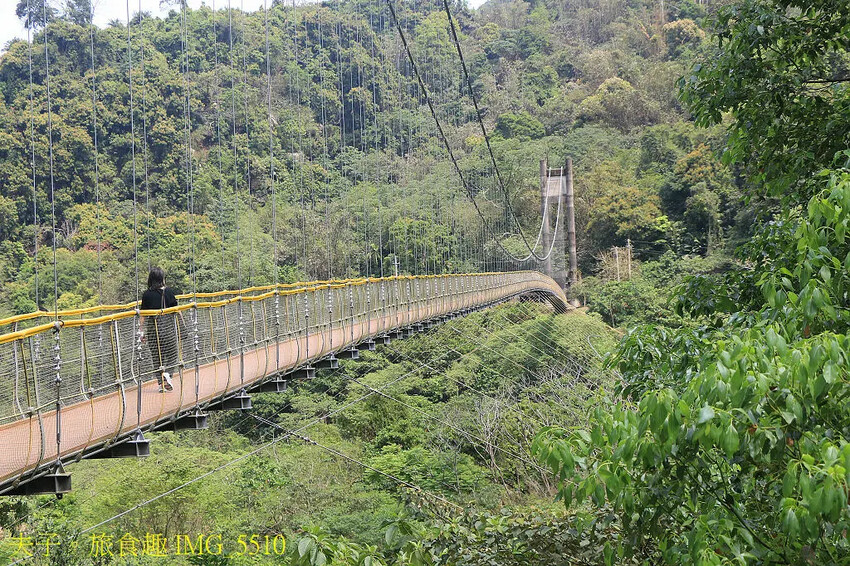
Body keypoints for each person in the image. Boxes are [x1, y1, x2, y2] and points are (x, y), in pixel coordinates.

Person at [139, 267, 179, 392]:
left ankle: (161, 383)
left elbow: (143, 315)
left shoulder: (146, 294)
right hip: (167, 328)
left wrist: (141, 332)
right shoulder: (169, 292)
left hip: (152, 329)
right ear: (162, 278)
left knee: (156, 357)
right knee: (172, 354)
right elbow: (176, 310)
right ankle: (168, 375)